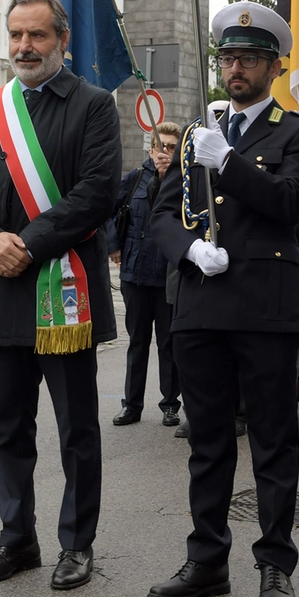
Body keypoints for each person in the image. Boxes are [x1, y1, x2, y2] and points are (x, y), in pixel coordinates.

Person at [148, 1, 299, 597]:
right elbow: (162, 214)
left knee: (274, 441)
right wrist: (188, 251)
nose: (236, 69)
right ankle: (207, 560)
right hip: (201, 307)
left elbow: (292, 206)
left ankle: (275, 563)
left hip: (264, 309)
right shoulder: (202, 130)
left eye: (249, 59)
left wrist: (226, 164)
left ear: (274, 67)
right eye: (228, 58)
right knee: (208, 443)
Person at [0, 0, 120, 590]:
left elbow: (97, 192)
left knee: (76, 429)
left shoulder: (94, 106)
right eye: (16, 35)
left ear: (62, 42)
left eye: (37, 35)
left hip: (63, 290)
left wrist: (29, 244)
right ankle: (16, 539)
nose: (24, 46)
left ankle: (77, 544)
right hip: (1, 290)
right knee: (9, 428)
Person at [108, 122, 183, 428]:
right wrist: (113, 245)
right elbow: (109, 211)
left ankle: (170, 404)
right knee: (138, 341)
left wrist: (169, 179)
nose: (164, 152)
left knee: (168, 344)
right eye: (160, 146)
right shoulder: (135, 178)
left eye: (171, 147)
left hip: (167, 274)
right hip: (135, 273)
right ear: (150, 148)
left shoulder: (184, 181)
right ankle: (132, 404)